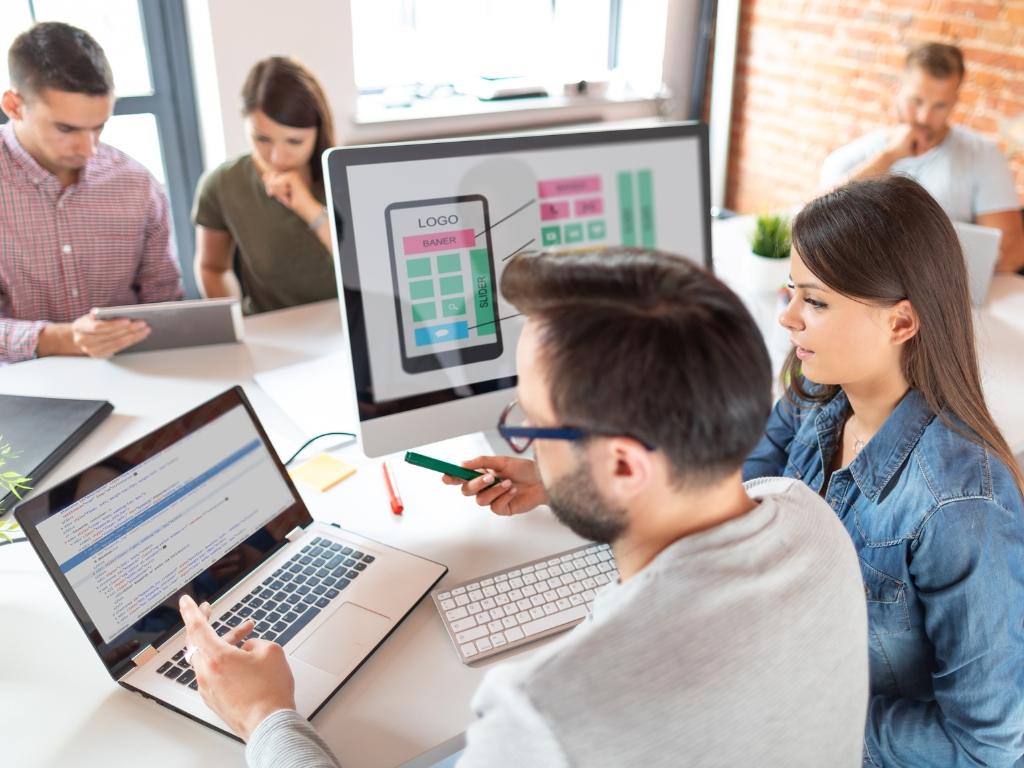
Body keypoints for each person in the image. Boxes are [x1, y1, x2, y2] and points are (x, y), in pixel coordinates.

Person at [179, 247, 870, 767]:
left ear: (624, 466)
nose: (527, 443)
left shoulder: (545, 715)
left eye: (533, 425)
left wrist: (265, 715)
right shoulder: (809, 519)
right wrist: (565, 479)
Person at [742, 176, 1024, 766]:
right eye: (791, 292)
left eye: (815, 301)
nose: (787, 318)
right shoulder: (816, 394)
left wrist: (806, 716)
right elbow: (742, 494)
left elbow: (986, 748)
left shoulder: (958, 506)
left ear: (900, 323)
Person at [0, 22, 182, 363]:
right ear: (14, 106)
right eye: (66, 128)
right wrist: (60, 339)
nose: (88, 149)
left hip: (134, 375)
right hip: (17, 385)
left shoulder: (137, 184)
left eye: (98, 127)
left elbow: (164, 301)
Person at [821, 42, 1024, 273]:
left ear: (954, 103)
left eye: (940, 106)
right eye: (916, 101)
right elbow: (819, 218)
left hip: (949, 286)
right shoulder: (852, 157)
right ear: (896, 91)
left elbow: (1011, 252)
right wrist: (889, 156)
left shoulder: (983, 155)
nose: (925, 117)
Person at [192, 57, 338, 315]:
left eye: (294, 141)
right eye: (262, 139)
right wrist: (239, 322)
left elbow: (366, 271)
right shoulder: (222, 184)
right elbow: (212, 268)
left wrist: (309, 209)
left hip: (344, 322)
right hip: (269, 328)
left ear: (318, 130)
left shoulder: (346, 174)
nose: (277, 157)